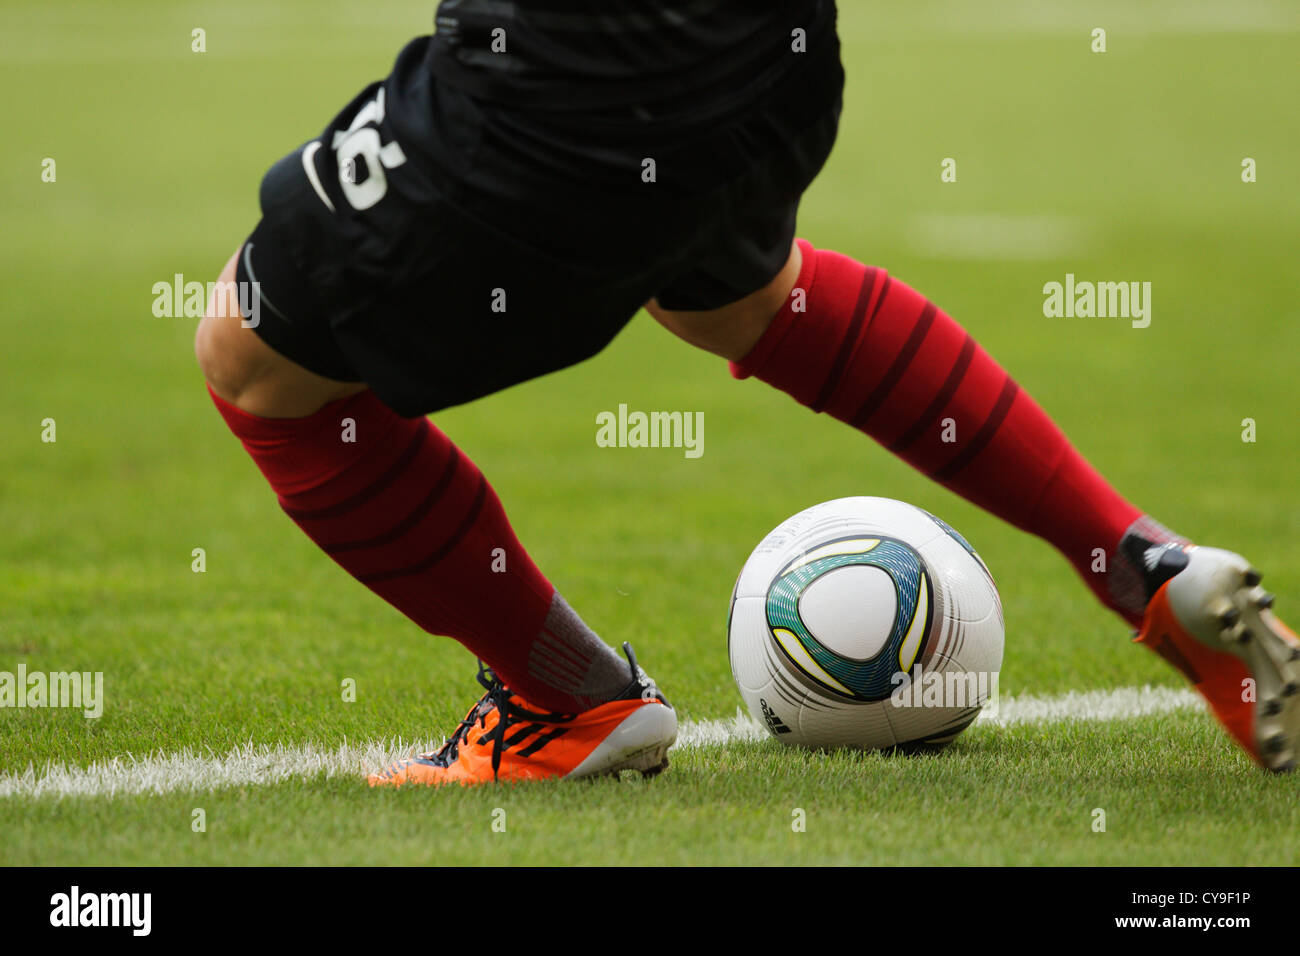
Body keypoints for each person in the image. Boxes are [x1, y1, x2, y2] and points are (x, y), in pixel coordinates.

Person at [195, 1, 1298, 785]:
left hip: (561, 81)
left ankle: (567, 699)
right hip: (766, 47)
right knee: (736, 296)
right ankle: (1137, 560)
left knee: (254, 362)